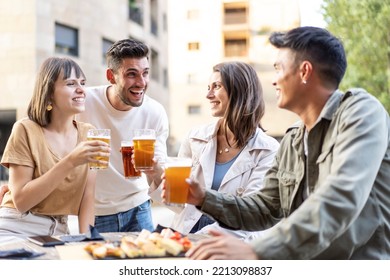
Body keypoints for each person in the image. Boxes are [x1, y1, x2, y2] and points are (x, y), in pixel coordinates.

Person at [164, 26, 390, 259]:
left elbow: (340, 198)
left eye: (279, 68)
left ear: (304, 71)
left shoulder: (361, 112)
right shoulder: (293, 139)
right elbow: (265, 208)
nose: (273, 81)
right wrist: (204, 198)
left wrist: (256, 250)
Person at [0, 57, 110, 238]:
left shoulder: (89, 133)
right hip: (17, 226)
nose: (81, 90)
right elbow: (21, 201)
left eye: (82, 83)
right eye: (71, 83)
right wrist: (71, 161)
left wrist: (88, 240)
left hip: (58, 230)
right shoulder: (25, 129)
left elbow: (87, 196)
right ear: (49, 92)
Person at [169, 61, 279, 241]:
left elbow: (251, 214)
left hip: (230, 239)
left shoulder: (268, 150)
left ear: (239, 90)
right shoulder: (194, 138)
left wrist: (194, 240)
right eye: (208, 87)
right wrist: (154, 174)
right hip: (183, 236)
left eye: (216, 86)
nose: (208, 95)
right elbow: (177, 203)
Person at [77, 38, 169, 233]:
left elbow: (162, 175)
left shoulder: (155, 112)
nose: (141, 82)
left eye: (145, 73)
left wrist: (154, 168)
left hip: (139, 208)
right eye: (132, 74)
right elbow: (48, 138)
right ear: (111, 76)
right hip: (95, 211)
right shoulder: (84, 103)